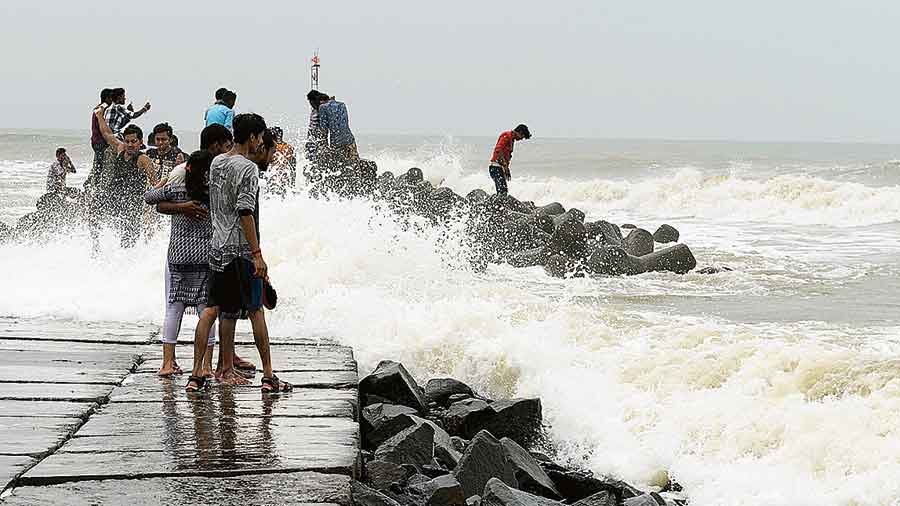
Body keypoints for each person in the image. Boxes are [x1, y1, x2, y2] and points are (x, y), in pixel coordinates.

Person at [187, 113, 288, 393]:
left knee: (220, 311)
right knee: (255, 310)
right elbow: (245, 211)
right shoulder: (248, 169)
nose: (260, 143)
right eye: (260, 137)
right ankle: (268, 375)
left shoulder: (218, 162)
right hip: (240, 251)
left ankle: (214, 371)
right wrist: (257, 253)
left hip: (217, 247)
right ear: (254, 137)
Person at [145, 150, 218, 378]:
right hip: (206, 256)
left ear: (187, 169)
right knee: (205, 310)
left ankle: (167, 363)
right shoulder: (214, 192)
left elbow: (150, 197)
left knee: (174, 307)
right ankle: (205, 366)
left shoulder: (176, 191)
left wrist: (167, 181)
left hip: (178, 255)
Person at [92, 104, 158, 247]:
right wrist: (99, 116)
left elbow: (155, 183)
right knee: (94, 209)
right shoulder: (121, 149)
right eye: (127, 141)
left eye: (134, 141)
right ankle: (96, 246)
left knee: (128, 243)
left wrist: (151, 210)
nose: (130, 145)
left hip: (131, 207)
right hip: (113, 200)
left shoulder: (143, 160)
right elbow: (107, 134)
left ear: (141, 142)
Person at [488, 124, 531, 195]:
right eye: (522, 137)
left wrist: (506, 169)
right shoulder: (506, 136)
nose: (521, 139)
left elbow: (506, 156)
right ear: (519, 132)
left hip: (499, 167)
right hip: (495, 167)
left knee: (503, 190)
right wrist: (505, 166)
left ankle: (495, 204)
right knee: (502, 191)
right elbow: (498, 150)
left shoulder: (511, 140)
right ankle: (494, 205)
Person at [317, 93, 359, 161]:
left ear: (321, 101)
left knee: (338, 165)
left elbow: (324, 129)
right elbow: (344, 122)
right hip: (349, 139)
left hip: (336, 142)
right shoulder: (342, 105)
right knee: (355, 163)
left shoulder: (323, 107)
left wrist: (324, 146)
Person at [88, 88, 114, 189]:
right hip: (99, 141)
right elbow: (102, 127)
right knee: (100, 167)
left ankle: (96, 185)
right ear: (107, 98)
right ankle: (96, 187)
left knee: (99, 165)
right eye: (112, 97)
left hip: (97, 141)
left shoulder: (100, 108)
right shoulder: (102, 109)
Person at [267, 126, 296, 195]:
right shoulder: (289, 148)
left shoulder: (270, 148)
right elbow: (293, 167)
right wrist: (293, 183)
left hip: (273, 177)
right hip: (285, 177)